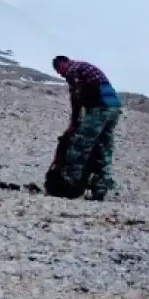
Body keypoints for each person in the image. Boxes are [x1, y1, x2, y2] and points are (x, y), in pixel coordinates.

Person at [48, 55, 122, 201]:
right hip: (113, 107)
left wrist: (73, 124)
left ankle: (70, 183)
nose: (61, 74)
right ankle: (100, 187)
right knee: (104, 147)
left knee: (81, 145)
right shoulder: (85, 67)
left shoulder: (73, 70)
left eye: (59, 70)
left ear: (64, 63)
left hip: (99, 108)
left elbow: (77, 98)